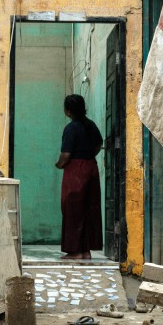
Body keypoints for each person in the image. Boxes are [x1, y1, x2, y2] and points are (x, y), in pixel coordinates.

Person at [55, 94, 103, 260]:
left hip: (75, 170)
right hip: (91, 167)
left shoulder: (70, 129)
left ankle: (75, 252)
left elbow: (66, 154)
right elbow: (98, 145)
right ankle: (86, 250)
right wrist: (88, 155)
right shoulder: (91, 125)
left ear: (68, 111)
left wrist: (59, 164)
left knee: (72, 209)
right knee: (89, 208)